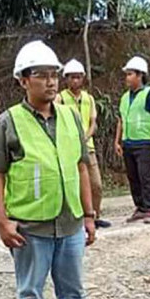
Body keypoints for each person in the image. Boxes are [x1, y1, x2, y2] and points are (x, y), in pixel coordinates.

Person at [0, 40, 113, 299]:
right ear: (23, 80)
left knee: (73, 293)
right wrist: (1, 221)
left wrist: (89, 215)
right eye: (41, 75)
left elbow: (81, 167)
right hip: (30, 226)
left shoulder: (71, 117)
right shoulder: (6, 123)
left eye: (53, 74)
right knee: (30, 293)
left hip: (69, 222)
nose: (51, 81)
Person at [56, 59, 111, 229]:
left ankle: (95, 216)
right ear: (66, 79)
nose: (75, 81)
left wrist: (86, 137)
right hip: (68, 148)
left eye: (78, 77)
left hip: (88, 148)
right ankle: (77, 218)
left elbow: (93, 122)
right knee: (73, 184)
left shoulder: (89, 99)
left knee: (96, 185)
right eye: (72, 77)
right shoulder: (60, 98)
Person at [114, 56, 150, 224]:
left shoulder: (149, 94)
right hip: (128, 142)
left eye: (130, 74)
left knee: (145, 176)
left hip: (144, 142)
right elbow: (121, 120)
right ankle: (140, 207)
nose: (127, 78)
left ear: (140, 75)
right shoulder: (124, 97)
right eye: (127, 74)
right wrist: (117, 141)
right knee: (133, 177)